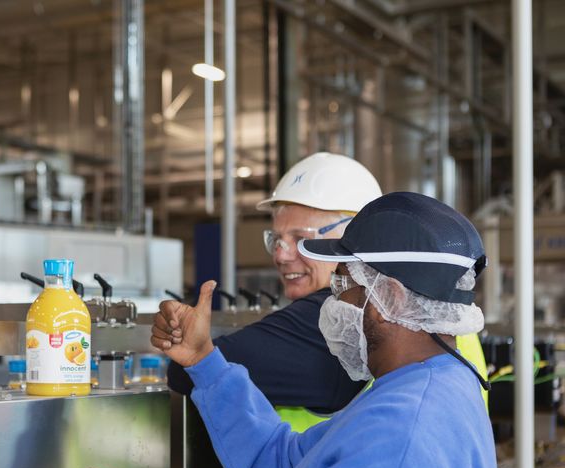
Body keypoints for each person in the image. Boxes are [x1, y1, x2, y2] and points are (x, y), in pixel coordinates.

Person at [78, 192, 498, 468]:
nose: (334, 302)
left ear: (391, 299)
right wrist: (205, 361)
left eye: (345, 283)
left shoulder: (400, 436)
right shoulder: (428, 386)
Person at [163, 152, 488, 431]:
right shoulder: (441, 312)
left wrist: (195, 355)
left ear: (355, 235)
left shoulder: (338, 319)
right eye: (276, 239)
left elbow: (186, 373)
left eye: (301, 238)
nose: (280, 254)